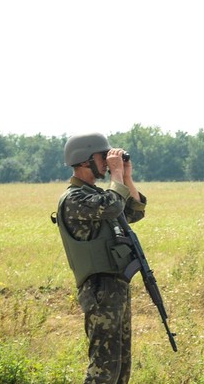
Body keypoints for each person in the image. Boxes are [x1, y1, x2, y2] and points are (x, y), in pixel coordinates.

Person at [53, 132, 147, 384]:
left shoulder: (96, 195)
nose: (108, 161)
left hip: (114, 286)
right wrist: (116, 176)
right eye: (102, 156)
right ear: (85, 161)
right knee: (103, 367)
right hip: (99, 288)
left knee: (120, 365)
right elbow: (113, 206)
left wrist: (125, 176)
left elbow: (133, 212)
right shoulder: (75, 199)